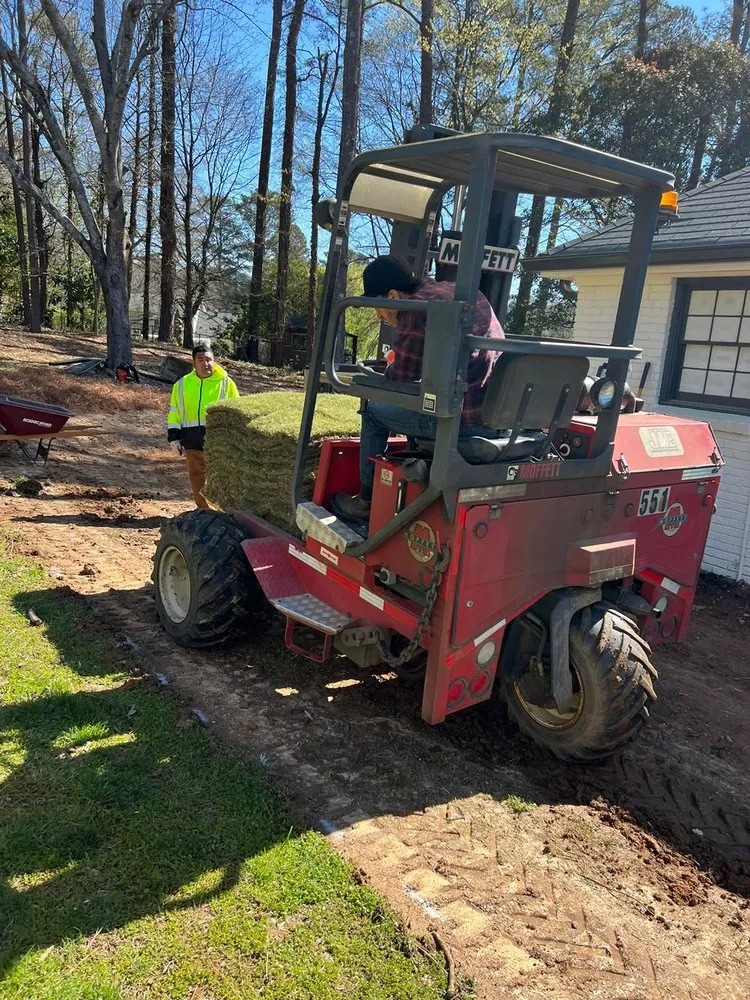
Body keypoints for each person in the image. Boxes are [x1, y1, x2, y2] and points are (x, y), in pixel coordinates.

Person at [334, 255, 504, 521]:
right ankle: (411, 482)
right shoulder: (457, 292)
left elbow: (400, 378)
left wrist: (382, 372)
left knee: (373, 411)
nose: (379, 315)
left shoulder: (416, 310)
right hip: (496, 412)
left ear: (391, 296)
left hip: (461, 418)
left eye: (377, 307)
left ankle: (366, 501)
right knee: (419, 401)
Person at [167, 344, 238, 508]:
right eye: (201, 360)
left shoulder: (227, 384)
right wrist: (174, 437)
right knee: (197, 477)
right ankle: (204, 511)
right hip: (191, 440)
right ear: (194, 363)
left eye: (209, 360)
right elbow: (174, 412)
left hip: (218, 442)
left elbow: (236, 412)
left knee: (219, 478)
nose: (205, 363)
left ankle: (221, 512)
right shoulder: (181, 385)